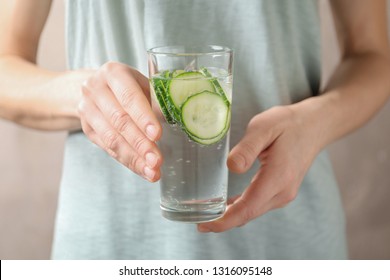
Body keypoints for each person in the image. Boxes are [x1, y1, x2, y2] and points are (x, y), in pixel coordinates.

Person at [0, 0, 389, 259]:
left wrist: (315, 122)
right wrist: (84, 95)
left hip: (287, 239)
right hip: (111, 241)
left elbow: (373, 54)